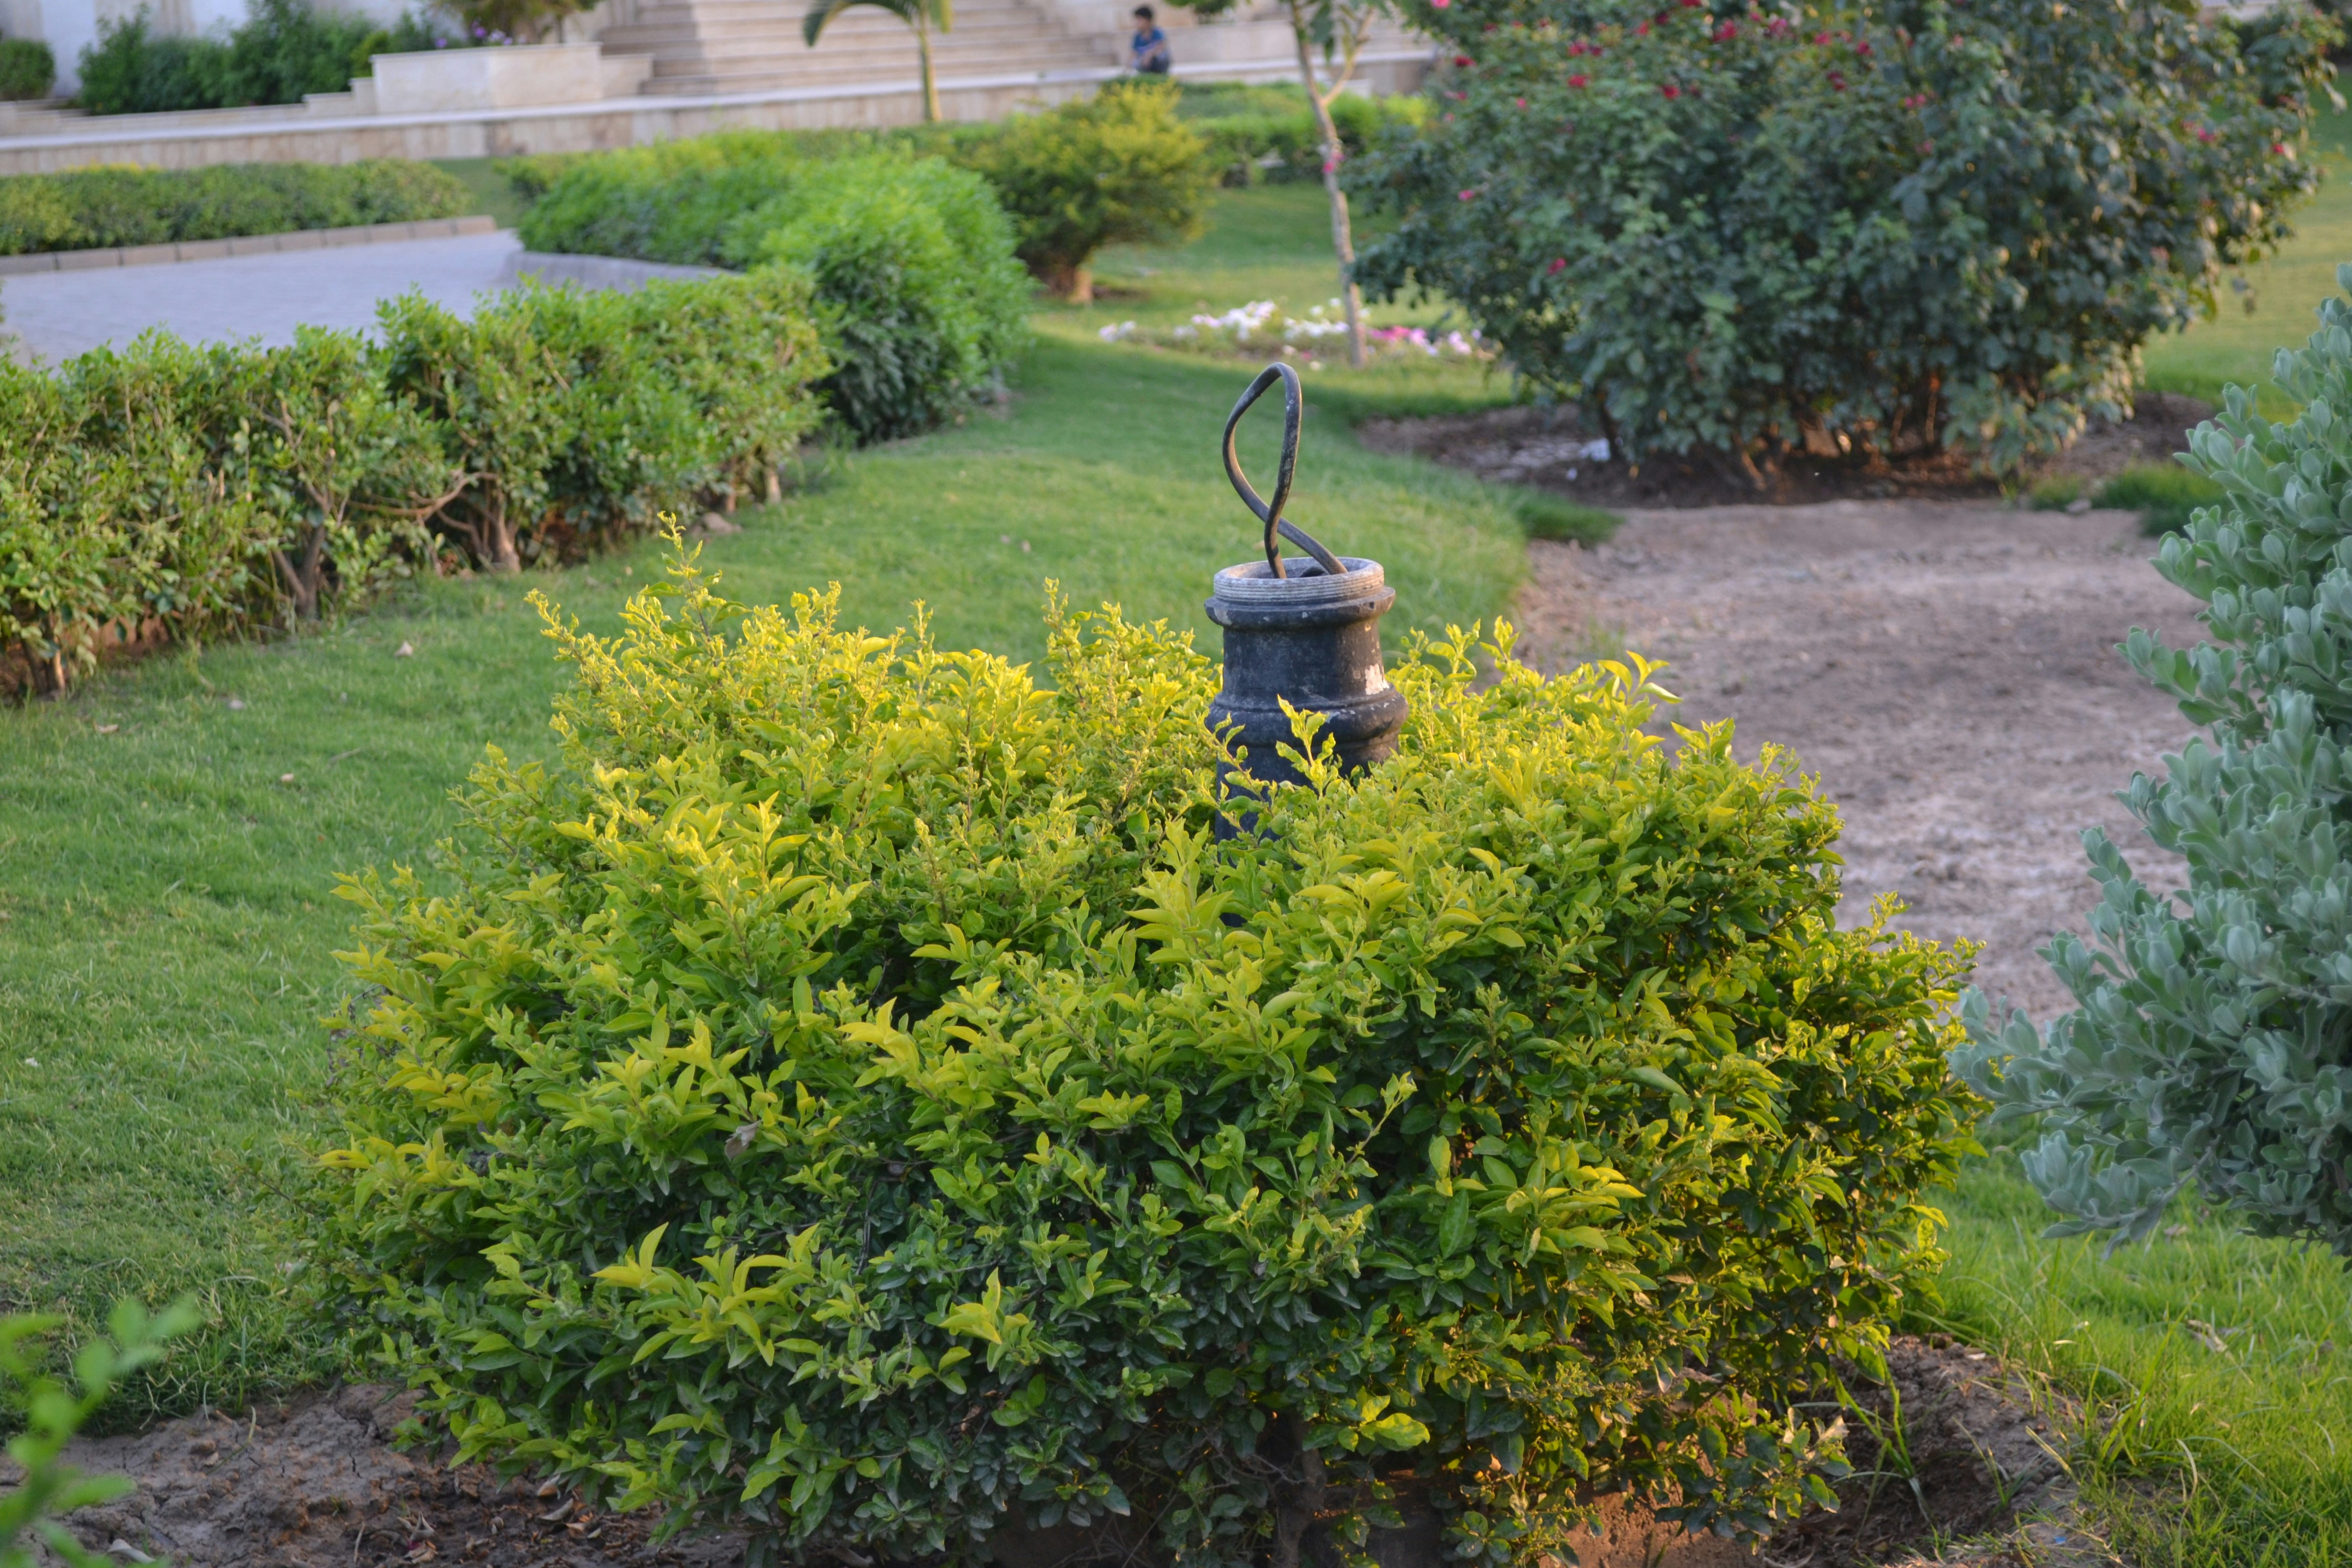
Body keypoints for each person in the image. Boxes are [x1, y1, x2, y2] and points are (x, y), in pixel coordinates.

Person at [1128, 6, 1171, 74]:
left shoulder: (1157, 32)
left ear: (1147, 20)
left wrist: (1149, 55)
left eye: (1139, 20)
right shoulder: (1138, 36)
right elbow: (1134, 52)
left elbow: (1162, 45)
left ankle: (1161, 75)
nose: (1136, 23)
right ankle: (1146, 77)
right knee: (1136, 62)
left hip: (1155, 61)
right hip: (1144, 63)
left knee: (1162, 56)